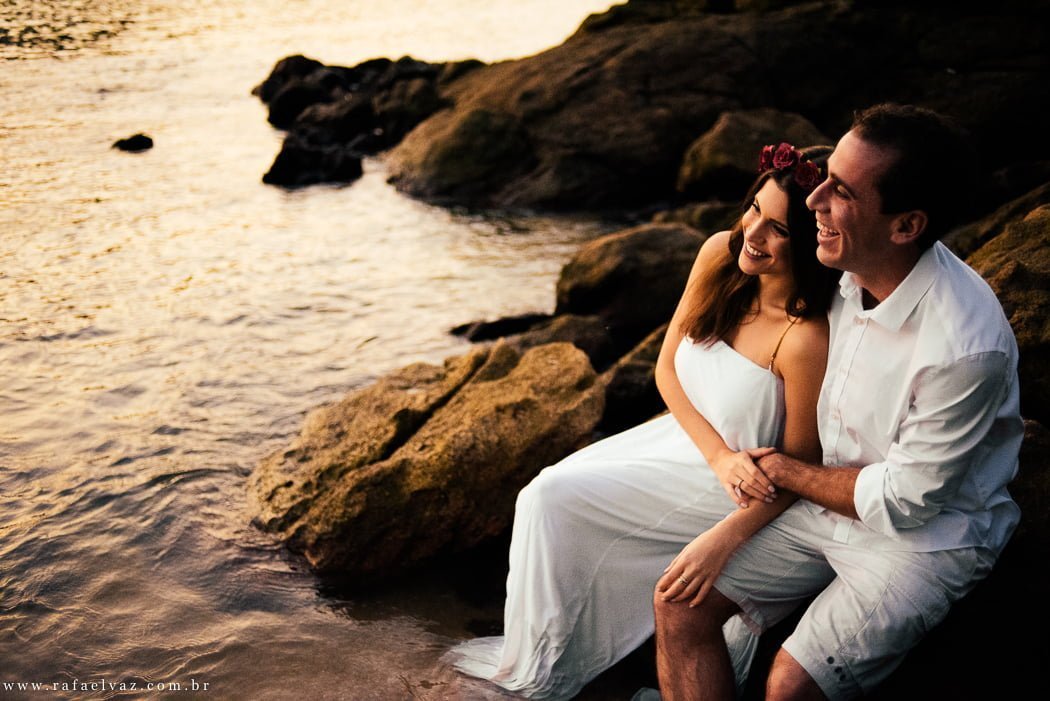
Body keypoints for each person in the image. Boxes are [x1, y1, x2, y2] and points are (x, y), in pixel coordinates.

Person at [652, 103, 1025, 701]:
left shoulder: (962, 347)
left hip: (924, 540)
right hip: (823, 505)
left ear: (906, 226)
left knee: (789, 686)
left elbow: (906, 502)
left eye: (840, 190)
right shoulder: (852, 265)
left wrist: (781, 469)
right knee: (678, 603)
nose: (812, 199)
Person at [447, 142, 841, 700]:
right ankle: (543, 662)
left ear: (810, 239)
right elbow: (666, 369)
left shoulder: (803, 338)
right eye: (755, 209)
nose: (754, 234)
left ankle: (564, 670)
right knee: (543, 495)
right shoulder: (718, 255)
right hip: (692, 444)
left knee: (557, 497)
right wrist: (716, 454)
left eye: (779, 229)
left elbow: (803, 468)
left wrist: (727, 531)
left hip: (745, 490)